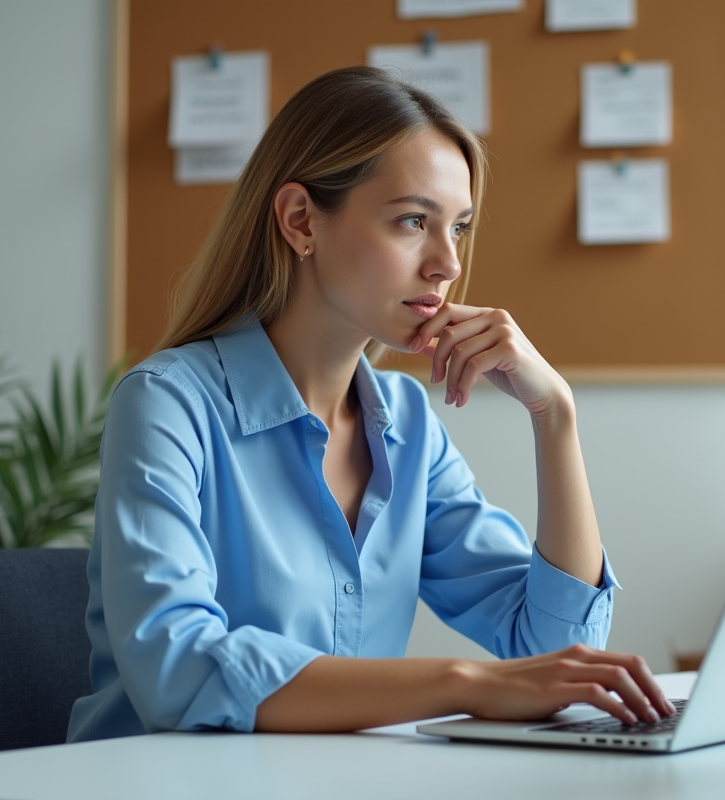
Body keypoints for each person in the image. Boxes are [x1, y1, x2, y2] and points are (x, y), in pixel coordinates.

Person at [68, 66, 673, 742]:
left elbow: (554, 640)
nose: (447, 262)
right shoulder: (167, 405)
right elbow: (178, 671)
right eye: (414, 220)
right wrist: (464, 684)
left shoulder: (408, 425)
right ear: (301, 221)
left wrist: (554, 416)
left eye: (459, 228)